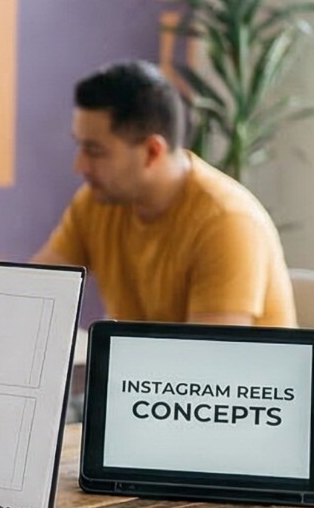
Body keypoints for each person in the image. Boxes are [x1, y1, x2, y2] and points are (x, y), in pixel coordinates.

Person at [33, 60, 296, 326]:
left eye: (95, 151)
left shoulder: (225, 221)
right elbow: (33, 292)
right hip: (145, 367)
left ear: (152, 152)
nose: (79, 166)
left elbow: (214, 360)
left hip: (227, 368)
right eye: (80, 146)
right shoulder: (96, 202)